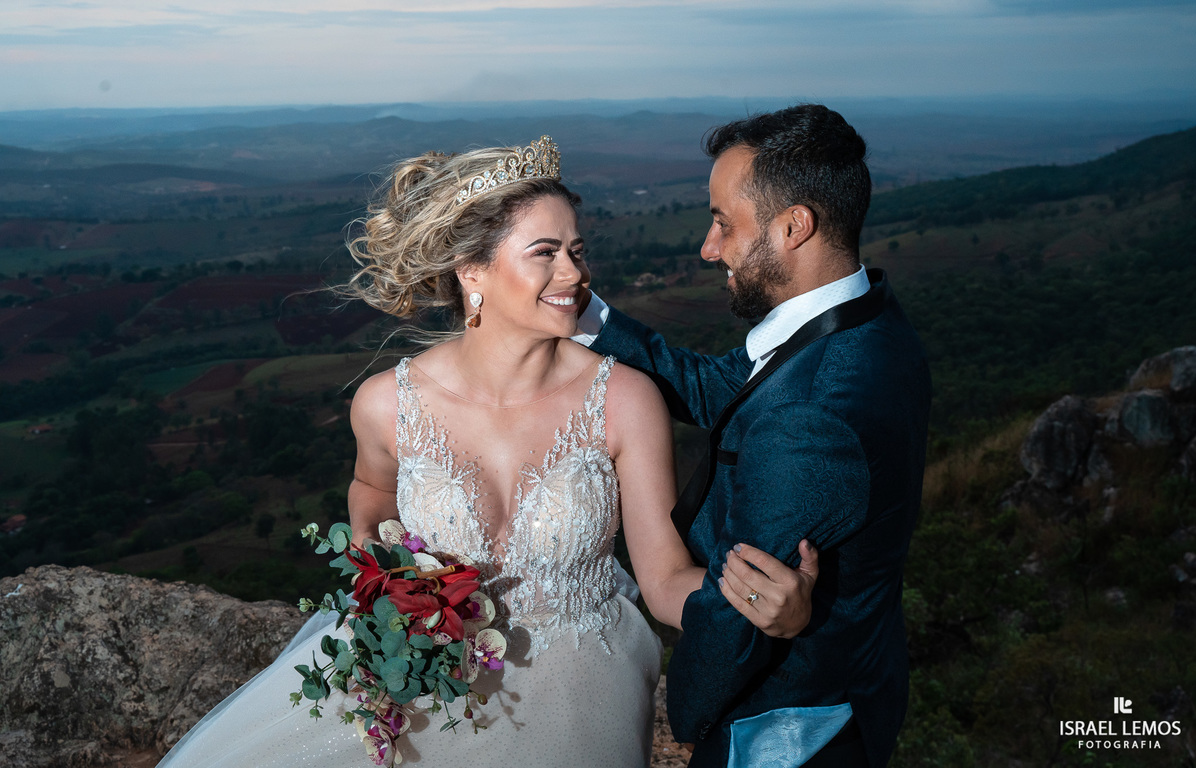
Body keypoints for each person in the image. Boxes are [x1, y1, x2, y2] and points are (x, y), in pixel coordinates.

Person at [156, 136, 811, 768]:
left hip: (582, 693)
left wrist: (759, 604)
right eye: (546, 253)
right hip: (423, 683)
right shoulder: (386, 404)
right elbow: (372, 492)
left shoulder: (627, 401)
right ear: (473, 272)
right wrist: (388, 578)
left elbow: (664, 581)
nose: (575, 274)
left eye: (578, 251)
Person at [575, 104, 932, 767]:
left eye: (723, 223)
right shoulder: (867, 322)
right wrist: (588, 321)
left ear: (795, 226)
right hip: (861, 680)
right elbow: (727, 389)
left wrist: (688, 716)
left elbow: (739, 604)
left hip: (785, 726)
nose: (709, 249)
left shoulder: (812, 416)